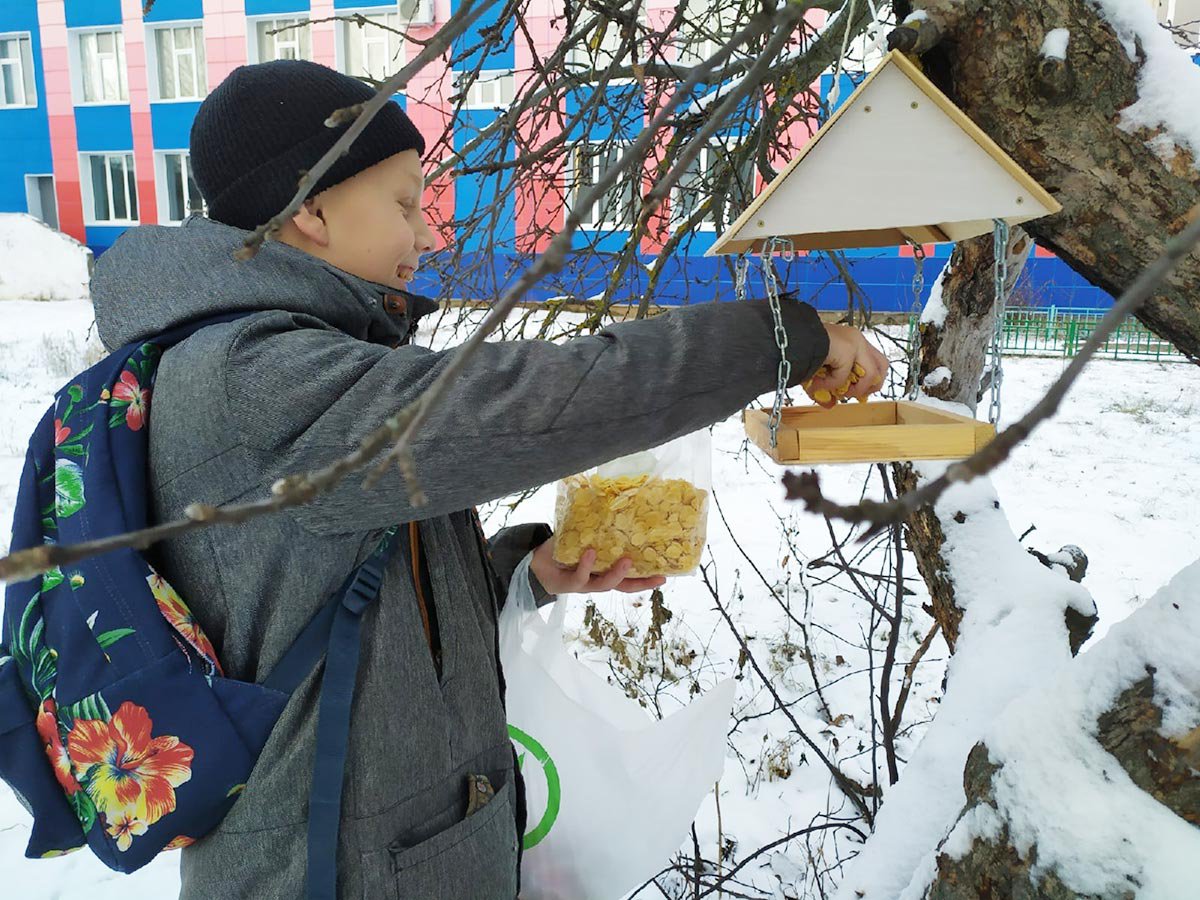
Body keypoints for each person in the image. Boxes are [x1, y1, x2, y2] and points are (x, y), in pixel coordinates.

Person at [89, 59, 889, 899]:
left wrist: (521, 574)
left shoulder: (304, 362)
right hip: (326, 872)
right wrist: (776, 338)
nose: (427, 234)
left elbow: (328, 594)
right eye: (404, 203)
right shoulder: (254, 376)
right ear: (313, 209)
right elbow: (532, 405)